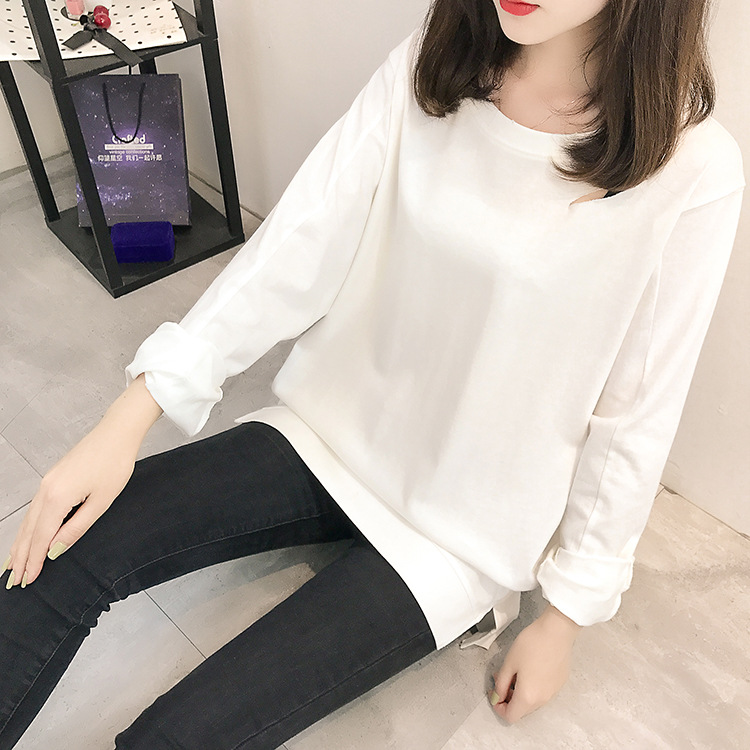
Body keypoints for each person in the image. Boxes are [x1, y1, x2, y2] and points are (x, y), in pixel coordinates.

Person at [0, 0, 745, 747]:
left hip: (459, 535)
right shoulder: (437, 59)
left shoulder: (693, 168)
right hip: (327, 431)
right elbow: (301, 239)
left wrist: (564, 617)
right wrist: (130, 415)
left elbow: (638, 409)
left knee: (178, 737)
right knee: (57, 554)